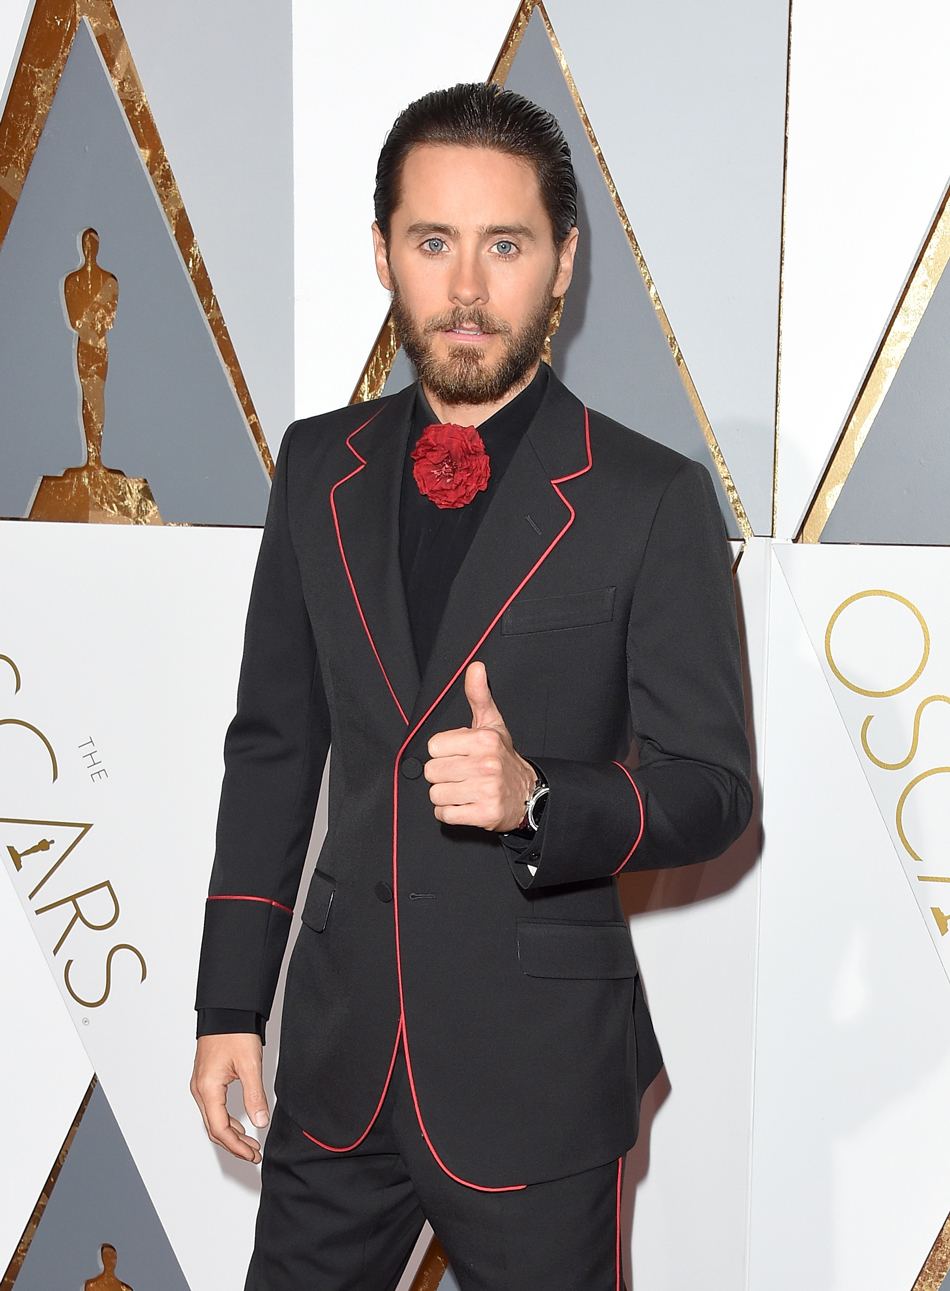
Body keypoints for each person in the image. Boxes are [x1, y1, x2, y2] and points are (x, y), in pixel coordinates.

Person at [190, 82, 752, 1291]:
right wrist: (228, 1004)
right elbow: (274, 747)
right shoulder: (315, 467)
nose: (463, 286)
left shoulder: (648, 498)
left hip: (535, 1076)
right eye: (431, 240)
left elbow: (712, 789)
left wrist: (539, 797)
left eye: (503, 245)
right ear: (382, 252)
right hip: (337, 1060)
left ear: (563, 263)